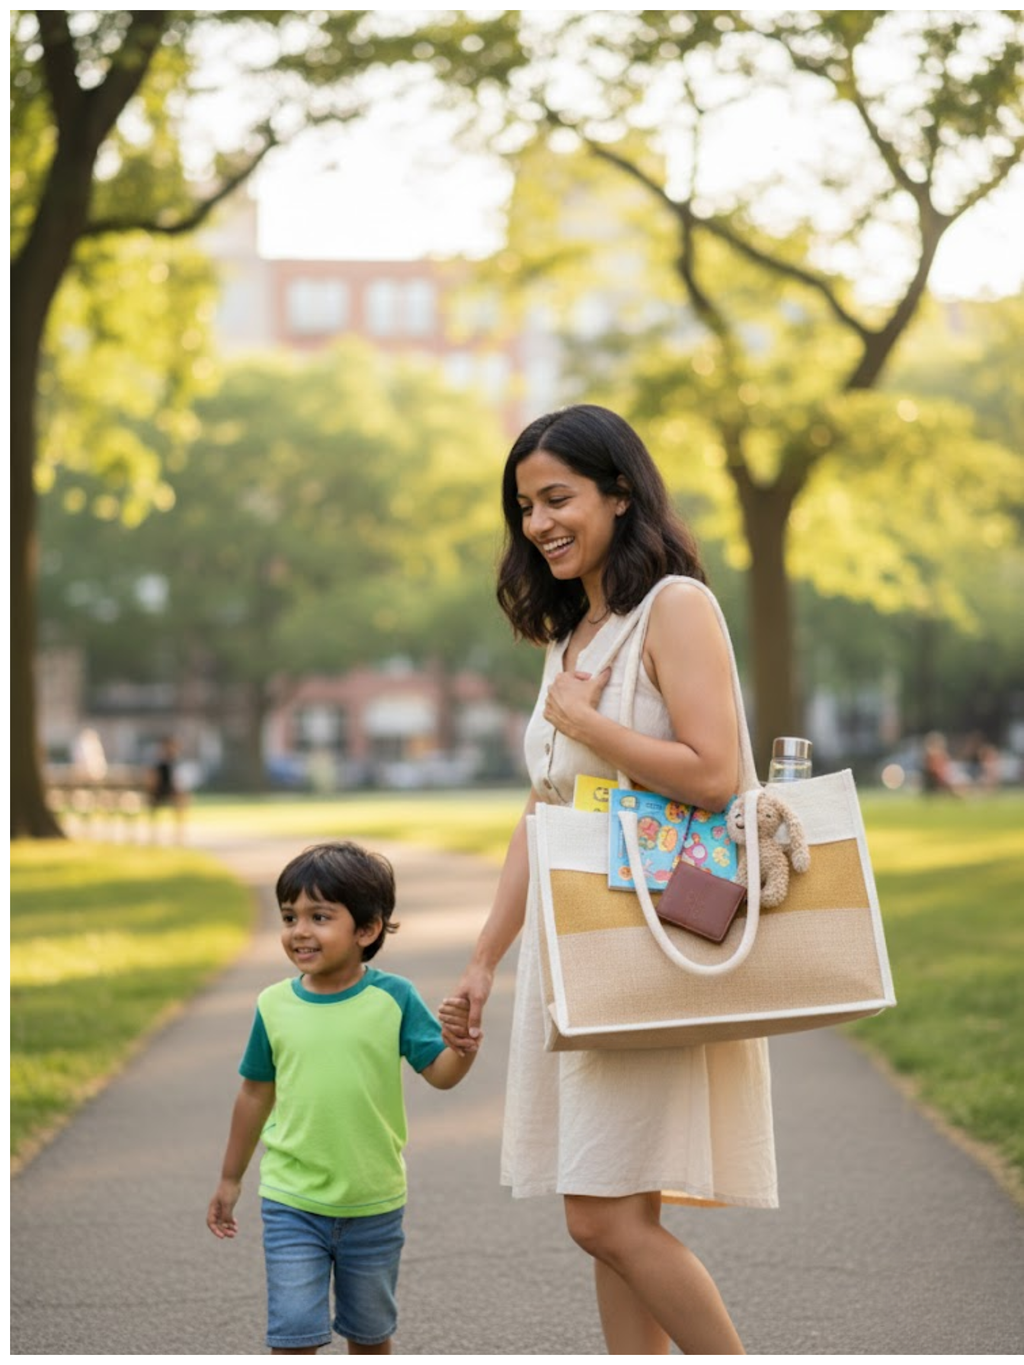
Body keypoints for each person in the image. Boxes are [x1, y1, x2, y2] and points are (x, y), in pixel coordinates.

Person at [439, 405, 776, 1355]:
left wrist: (588, 723)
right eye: (524, 507)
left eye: (558, 498)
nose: (539, 523)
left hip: (652, 939)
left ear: (620, 493)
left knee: (601, 1214)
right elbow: (544, 805)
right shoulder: (573, 634)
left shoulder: (674, 608)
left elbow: (714, 773)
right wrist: (484, 957)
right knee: (615, 1210)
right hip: (580, 947)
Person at [206, 840, 478, 1355]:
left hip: (373, 1202)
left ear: (367, 930)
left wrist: (462, 1047)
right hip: (291, 1199)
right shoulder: (273, 1005)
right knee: (292, 1332)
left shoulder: (394, 998)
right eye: (289, 917)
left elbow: (441, 1074)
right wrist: (229, 1178)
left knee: (370, 1334)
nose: (299, 931)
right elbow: (254, 1094)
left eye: (320, 916)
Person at [148, 736, 188, 842]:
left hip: (171, 790)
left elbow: (179, 780)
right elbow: (152, 779)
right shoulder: (158, 762)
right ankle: (154, 833)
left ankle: (179, 832)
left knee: (181, 800)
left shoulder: (176, 762)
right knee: (154, 804)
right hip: (159, 790)